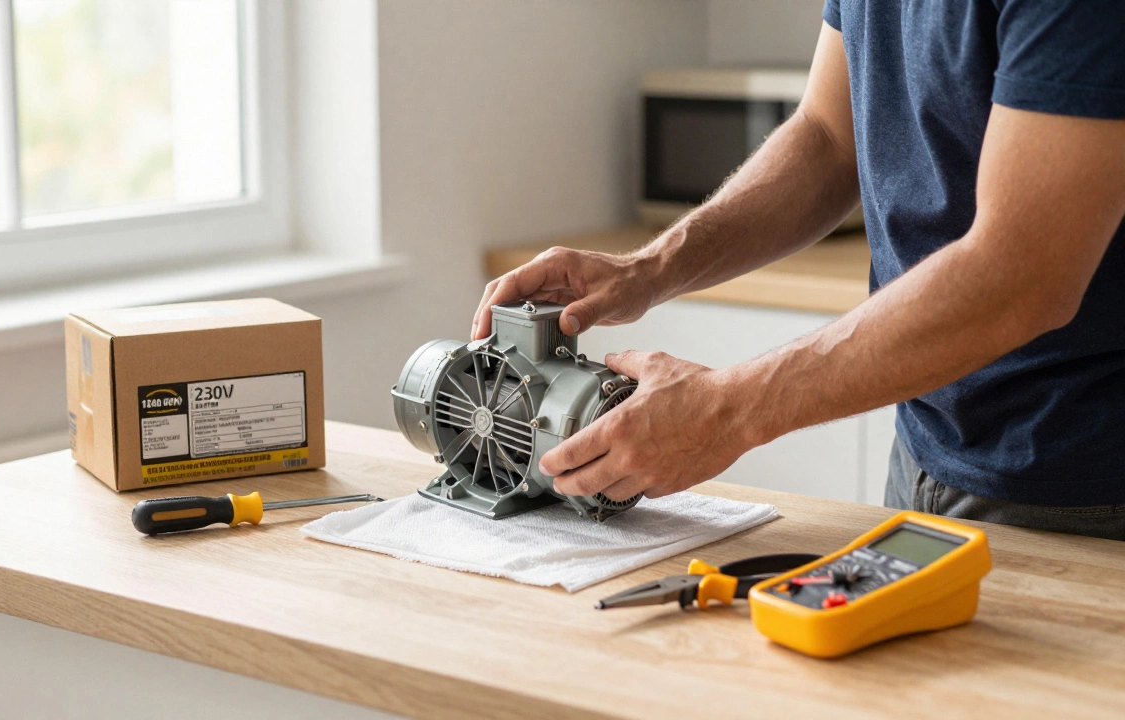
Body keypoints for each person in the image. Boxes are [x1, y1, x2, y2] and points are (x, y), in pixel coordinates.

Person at [472, 1, 1125, 540]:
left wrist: (724, 411)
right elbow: (826, 138)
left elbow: (1020, 276)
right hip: (928, 444)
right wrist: (647, 269)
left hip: (1084, 483)